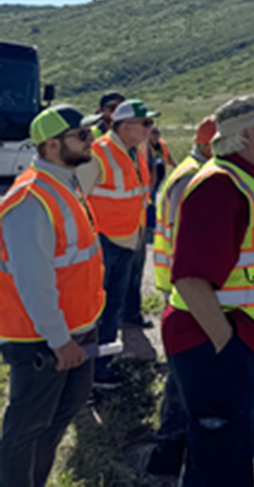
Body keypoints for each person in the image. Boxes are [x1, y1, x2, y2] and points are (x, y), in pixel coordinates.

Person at [162, 95, 254, 486]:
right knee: (220, 465)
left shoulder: (248, 181)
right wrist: (229, 346)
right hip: (218, 344)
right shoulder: (220, 186)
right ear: (245, 133)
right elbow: (189, 279)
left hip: (247, 340)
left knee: (230, 457)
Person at [0, 105, 103, 487]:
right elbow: (34, 281)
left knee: (58, 417)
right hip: (41, 341)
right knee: (26, 429)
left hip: (73, 332)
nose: (90, 141)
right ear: (50, 146)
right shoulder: (30, 200)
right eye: (81, 136)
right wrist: (60, 340)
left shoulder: (63, 184)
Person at [146, 115, 217, 478]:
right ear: (208, 146)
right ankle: (168, 451)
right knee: (182, 376)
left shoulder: (195, 170)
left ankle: (173, 449)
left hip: (187, 285)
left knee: (188, 374)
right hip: (187, 289)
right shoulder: (192, 176)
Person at [77, 98, 156, 387]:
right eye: (146, 123)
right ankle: (86, 371)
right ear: (126, 127)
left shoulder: (136, 151)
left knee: (113, 306)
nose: (151, 128)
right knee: (96, 307)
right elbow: (77, 199)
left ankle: (102, 366)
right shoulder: (99, 153)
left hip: (128, 239)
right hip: (103, 242)